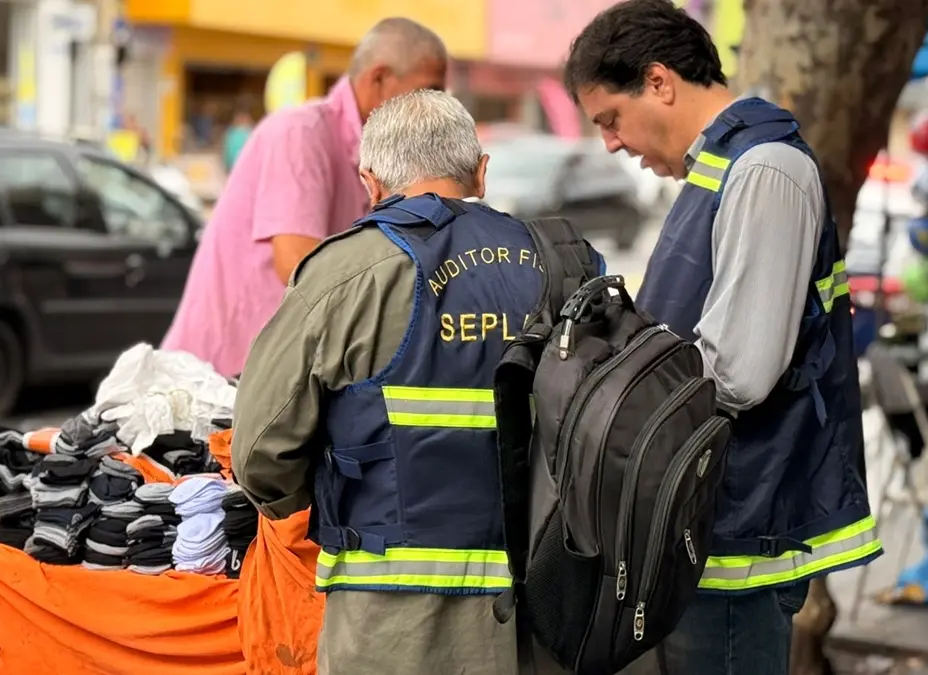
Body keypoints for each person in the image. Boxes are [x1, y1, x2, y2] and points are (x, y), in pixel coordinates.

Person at [230, 89, 605, 675]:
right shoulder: (564, 262)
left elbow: (259, 449)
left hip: (389, 614)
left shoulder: (348, 272)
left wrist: (306, 504)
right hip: (547, 601)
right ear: (481, 173)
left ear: (370, 180)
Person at [563, 1, 882, 674]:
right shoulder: (718, 164)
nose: (612, 144)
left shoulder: (765, 168)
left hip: (739, 527)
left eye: (611, 119)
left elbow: (736, 370)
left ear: (658, 82)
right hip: (703, 519)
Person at [161, 18, 448, 378]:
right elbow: (299, 265)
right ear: (379, 79)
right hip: (217, 381)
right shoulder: (303, 133)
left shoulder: (377, 155)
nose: (436, 109)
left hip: (274, 375)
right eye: (429, 92)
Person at [222, 98, 255, 174]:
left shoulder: (251, 133)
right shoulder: (232, 133)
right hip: (238, 168)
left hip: (244, 169)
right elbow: (227, 153)